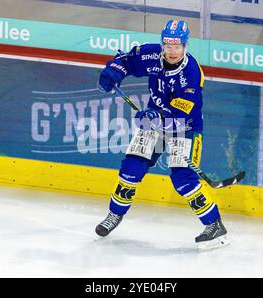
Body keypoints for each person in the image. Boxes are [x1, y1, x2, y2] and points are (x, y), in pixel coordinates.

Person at [95, 20, 228, 247]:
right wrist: (112, 73)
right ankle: (114, 214)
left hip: (184, 127)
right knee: (131, 168)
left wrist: (158, 117)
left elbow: (184, 109)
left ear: (185, 45)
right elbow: (126, 60)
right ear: (162, 43)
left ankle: (214, 224)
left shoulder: (192, 72)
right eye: (168, 45)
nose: (172, 51)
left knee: (183, 179)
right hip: (153, 120)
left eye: (177, 46)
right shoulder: (152, 55)